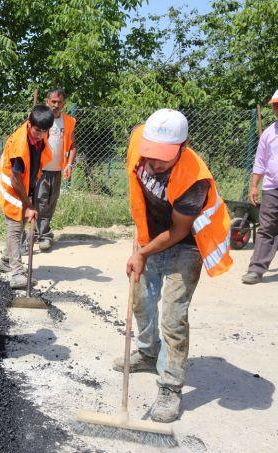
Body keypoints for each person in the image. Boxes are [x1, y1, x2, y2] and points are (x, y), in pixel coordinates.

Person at [115, 109, 233, 423]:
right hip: (150, 237)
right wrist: (141, 241)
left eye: (163, 158)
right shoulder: (138, 140)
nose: (154, 164)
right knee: (140, 300)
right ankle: (148, 352)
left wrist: (142, 253)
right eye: (150, 155)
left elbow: (179, 231)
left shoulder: (195, 180)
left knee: (173, 317)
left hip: (186, 245)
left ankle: (170, 387)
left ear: (184, 146)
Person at [0, 105, 55, 289]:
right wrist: (28, 205)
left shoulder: (42, 135)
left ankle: (6, 260)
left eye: (44, 131)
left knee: (19, 222)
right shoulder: (20, 144)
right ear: (29, 124)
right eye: (37, 130)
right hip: (10, 185)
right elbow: (15, 179)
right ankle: (17, 273)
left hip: (24, 183)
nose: (40, 135)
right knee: (15, 225)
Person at [241, 89, 278, 284]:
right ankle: (256, 270)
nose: (277, 108)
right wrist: (254, 186)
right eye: (275, 105)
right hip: (272, 187)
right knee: (266, 228)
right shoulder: (269, 134)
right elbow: (260, 162)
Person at [35, 89, 77, 251]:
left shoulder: (69, 122)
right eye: (53, 102)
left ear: (64, 104)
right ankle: (37, 235)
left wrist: (69, 164)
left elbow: (73, 146)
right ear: (47, 102)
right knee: (38, 201)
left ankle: (43, 234)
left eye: (59, 102)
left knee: (50, 204)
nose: (56, 105)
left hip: (57, 170)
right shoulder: (41, 120)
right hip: (40, 170)